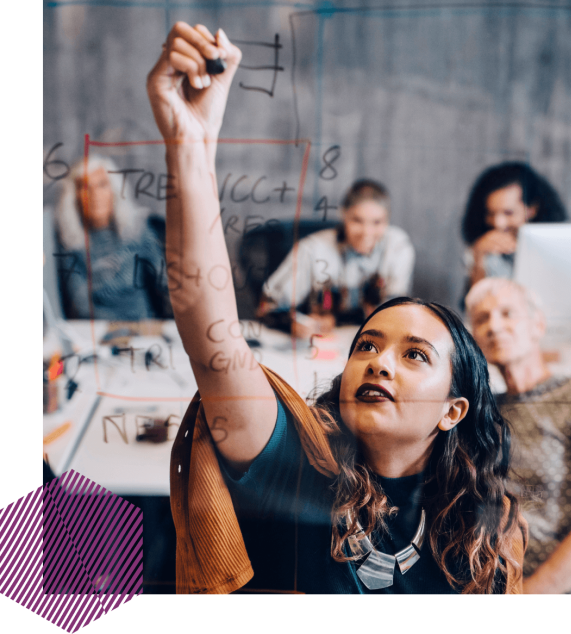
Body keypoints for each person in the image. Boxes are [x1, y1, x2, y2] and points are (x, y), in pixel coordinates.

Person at [146, 21, 527, 596]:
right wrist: (189, 142)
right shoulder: (295, 467)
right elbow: (214, 338)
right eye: (367, 346)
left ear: (452, 411)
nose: (378, 362)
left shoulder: (483, 531)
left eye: (415, 354)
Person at [466, 278, 571, 595]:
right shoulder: (482, 413)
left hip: (568, 584)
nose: (494, 326)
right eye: (482, 319)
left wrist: (531, 591)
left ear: (537, 325)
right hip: (492, 582)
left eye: (507, 313)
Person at [258, 180, 416, 338]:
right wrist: (293, 324)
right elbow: (267, 307)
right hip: (315, 342)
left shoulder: (398, 246)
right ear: (344, 215)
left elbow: (395, 311)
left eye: (377, 222)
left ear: (387, 221)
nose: (367, 232)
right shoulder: (313, 249)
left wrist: (337, 319)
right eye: (357, 220)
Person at [55, 155, 172, 320]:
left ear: (114, 190)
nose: (94, 194)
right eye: (85, 187)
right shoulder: (70, 242)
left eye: (102, 185)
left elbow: (165, 285)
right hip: (97, 332)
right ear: (74, 197)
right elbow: (81, 305)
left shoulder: (138, 229)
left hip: (145, 327)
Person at [462, 163, 568, 293]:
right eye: (490, 213)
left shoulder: (559, 248)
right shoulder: (481, 247)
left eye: (508, 213)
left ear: (531, 209)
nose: (498, 223)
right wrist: (478, 260)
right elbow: (475, 309)